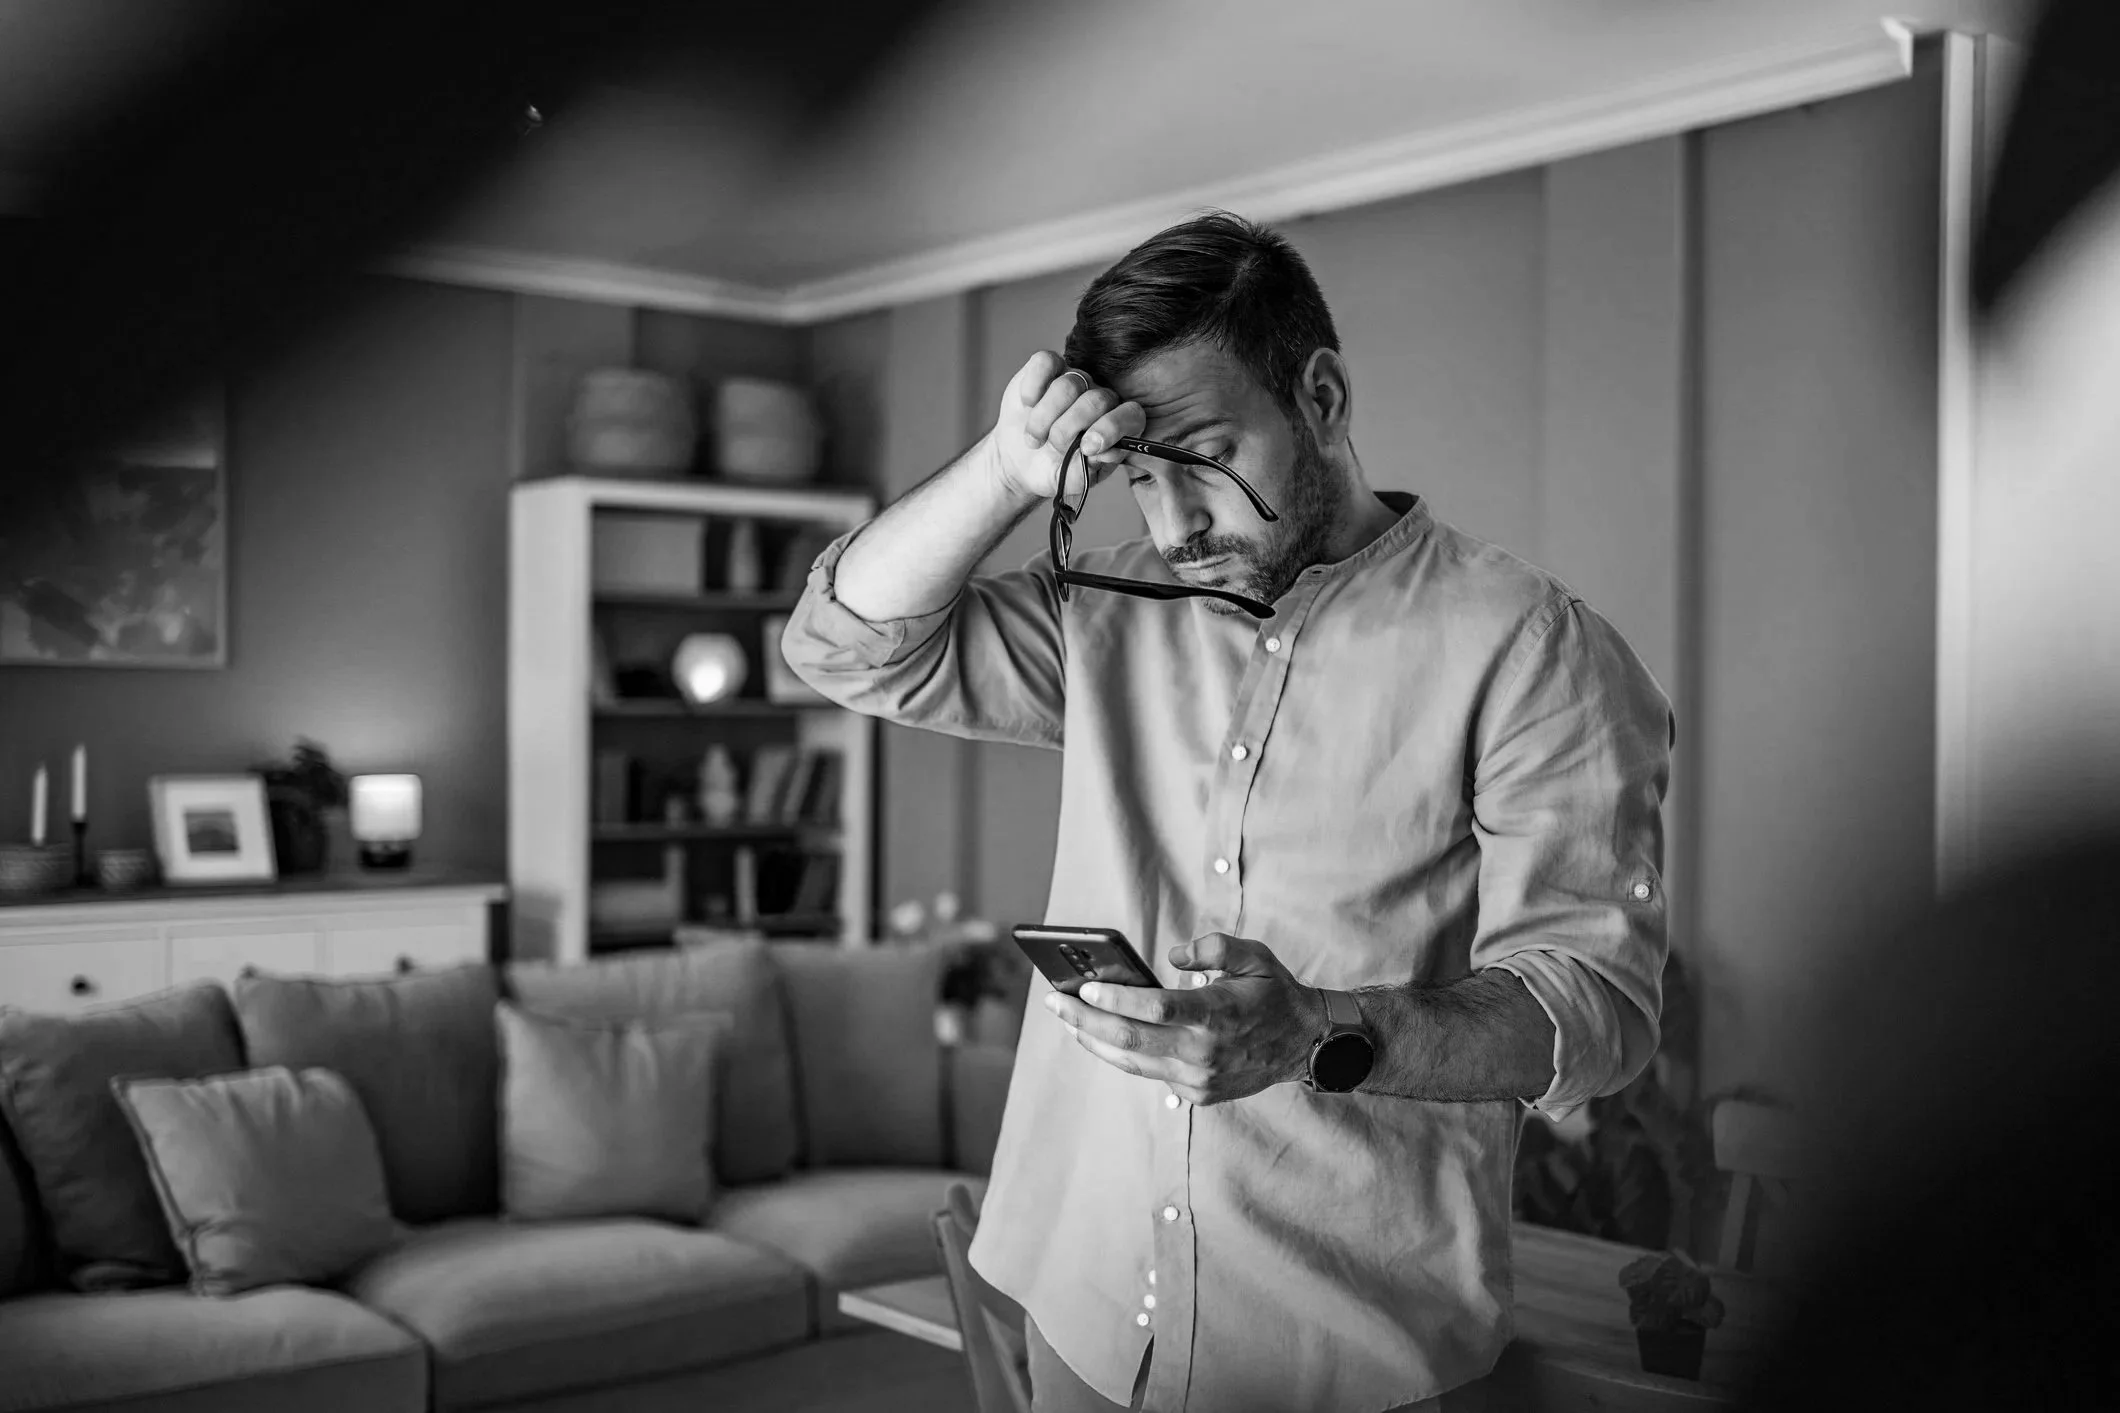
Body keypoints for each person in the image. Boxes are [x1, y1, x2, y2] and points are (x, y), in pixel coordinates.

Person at [781, 211, 1675, 1413]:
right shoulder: (1105, 610)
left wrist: (1316, 1033)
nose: (1171, 527)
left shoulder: (1531, 650)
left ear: (1321, 397)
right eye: (1137, 479)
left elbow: (1596, 1009)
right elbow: (841, 648)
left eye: (1202, 460)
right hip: (1084, 1303)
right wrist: (1004, 469)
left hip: (1345, 1353)